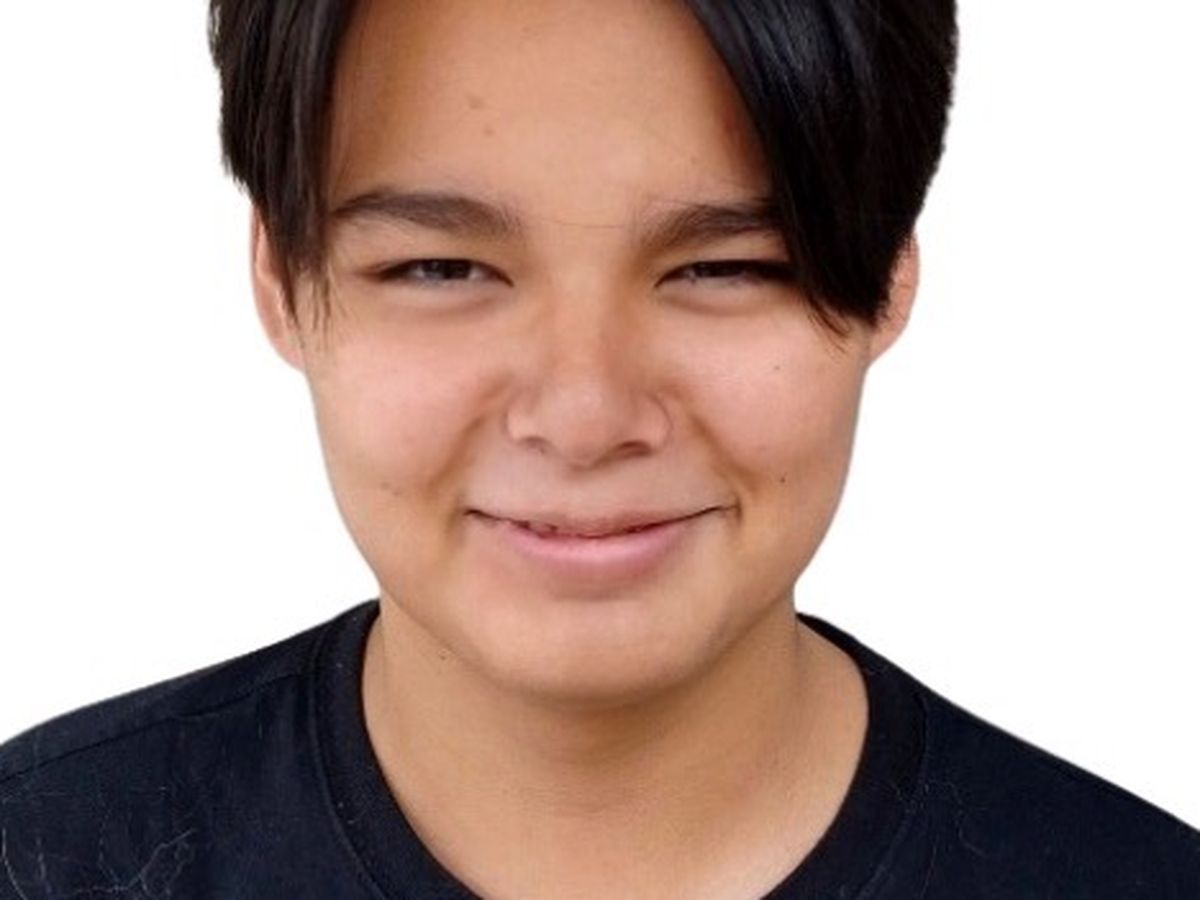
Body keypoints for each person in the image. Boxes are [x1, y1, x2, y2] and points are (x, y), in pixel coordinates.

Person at [1, 1, 1197, 897]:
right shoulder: (45, 855)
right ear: (280, 281)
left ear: (885, 281)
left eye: (723, 269)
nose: (584, 415)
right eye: (441, 268)